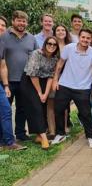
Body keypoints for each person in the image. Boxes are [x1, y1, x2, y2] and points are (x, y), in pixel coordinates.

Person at [51, 29, 92, 149]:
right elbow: (60, 63)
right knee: (58, 110)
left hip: (83, 88)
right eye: (83, 37)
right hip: (64, 85)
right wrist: (55, 79)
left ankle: (91, 136)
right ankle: (60, 134)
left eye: (88, 38)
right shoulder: (69, 48)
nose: (85, 40)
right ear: (79, 37)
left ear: (91, 39)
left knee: (85, 114)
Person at [2, 10, 38, 141]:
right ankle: (4, 136)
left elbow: (36, 57)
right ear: (13, 21)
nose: (21, 23)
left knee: (22, 108)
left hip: (25, 80)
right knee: (5, 109)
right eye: (19, 20)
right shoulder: (4, 36)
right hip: (7, 81)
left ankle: (21, 133)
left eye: (24, 21)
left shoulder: (31, 38)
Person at [20, 37, 59, 150]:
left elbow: (51, 76)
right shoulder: (36, 54)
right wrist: (39, 92)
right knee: (36, 107)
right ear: (45, 44)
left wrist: (45, 94)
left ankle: (38, 136)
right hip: (30, 82)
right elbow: (33, 74)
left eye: (54, 45)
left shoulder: (54, 58)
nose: (51, 46)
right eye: (49, 43)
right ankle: (44, 139)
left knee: (41, 108)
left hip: (44, 82)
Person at [0, 17, 26, 150]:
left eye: (3, 25)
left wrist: (5, 86)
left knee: (7, 111)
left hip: (8, 83)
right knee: (5, 110)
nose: (1, 27)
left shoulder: (1, 42)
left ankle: (8, 141)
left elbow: (2, 65)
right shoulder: (4, 39)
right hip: (7, 81)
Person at [52, 25, 72, 136]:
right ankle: (53, 127)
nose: (60, 32)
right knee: (54, 103)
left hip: (68, 78)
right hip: (54, 76)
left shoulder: (70, 45)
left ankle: (66, 124)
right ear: (54, 32)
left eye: (63, 30)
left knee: (65, 104)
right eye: (58, 30)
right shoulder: (51, 44)